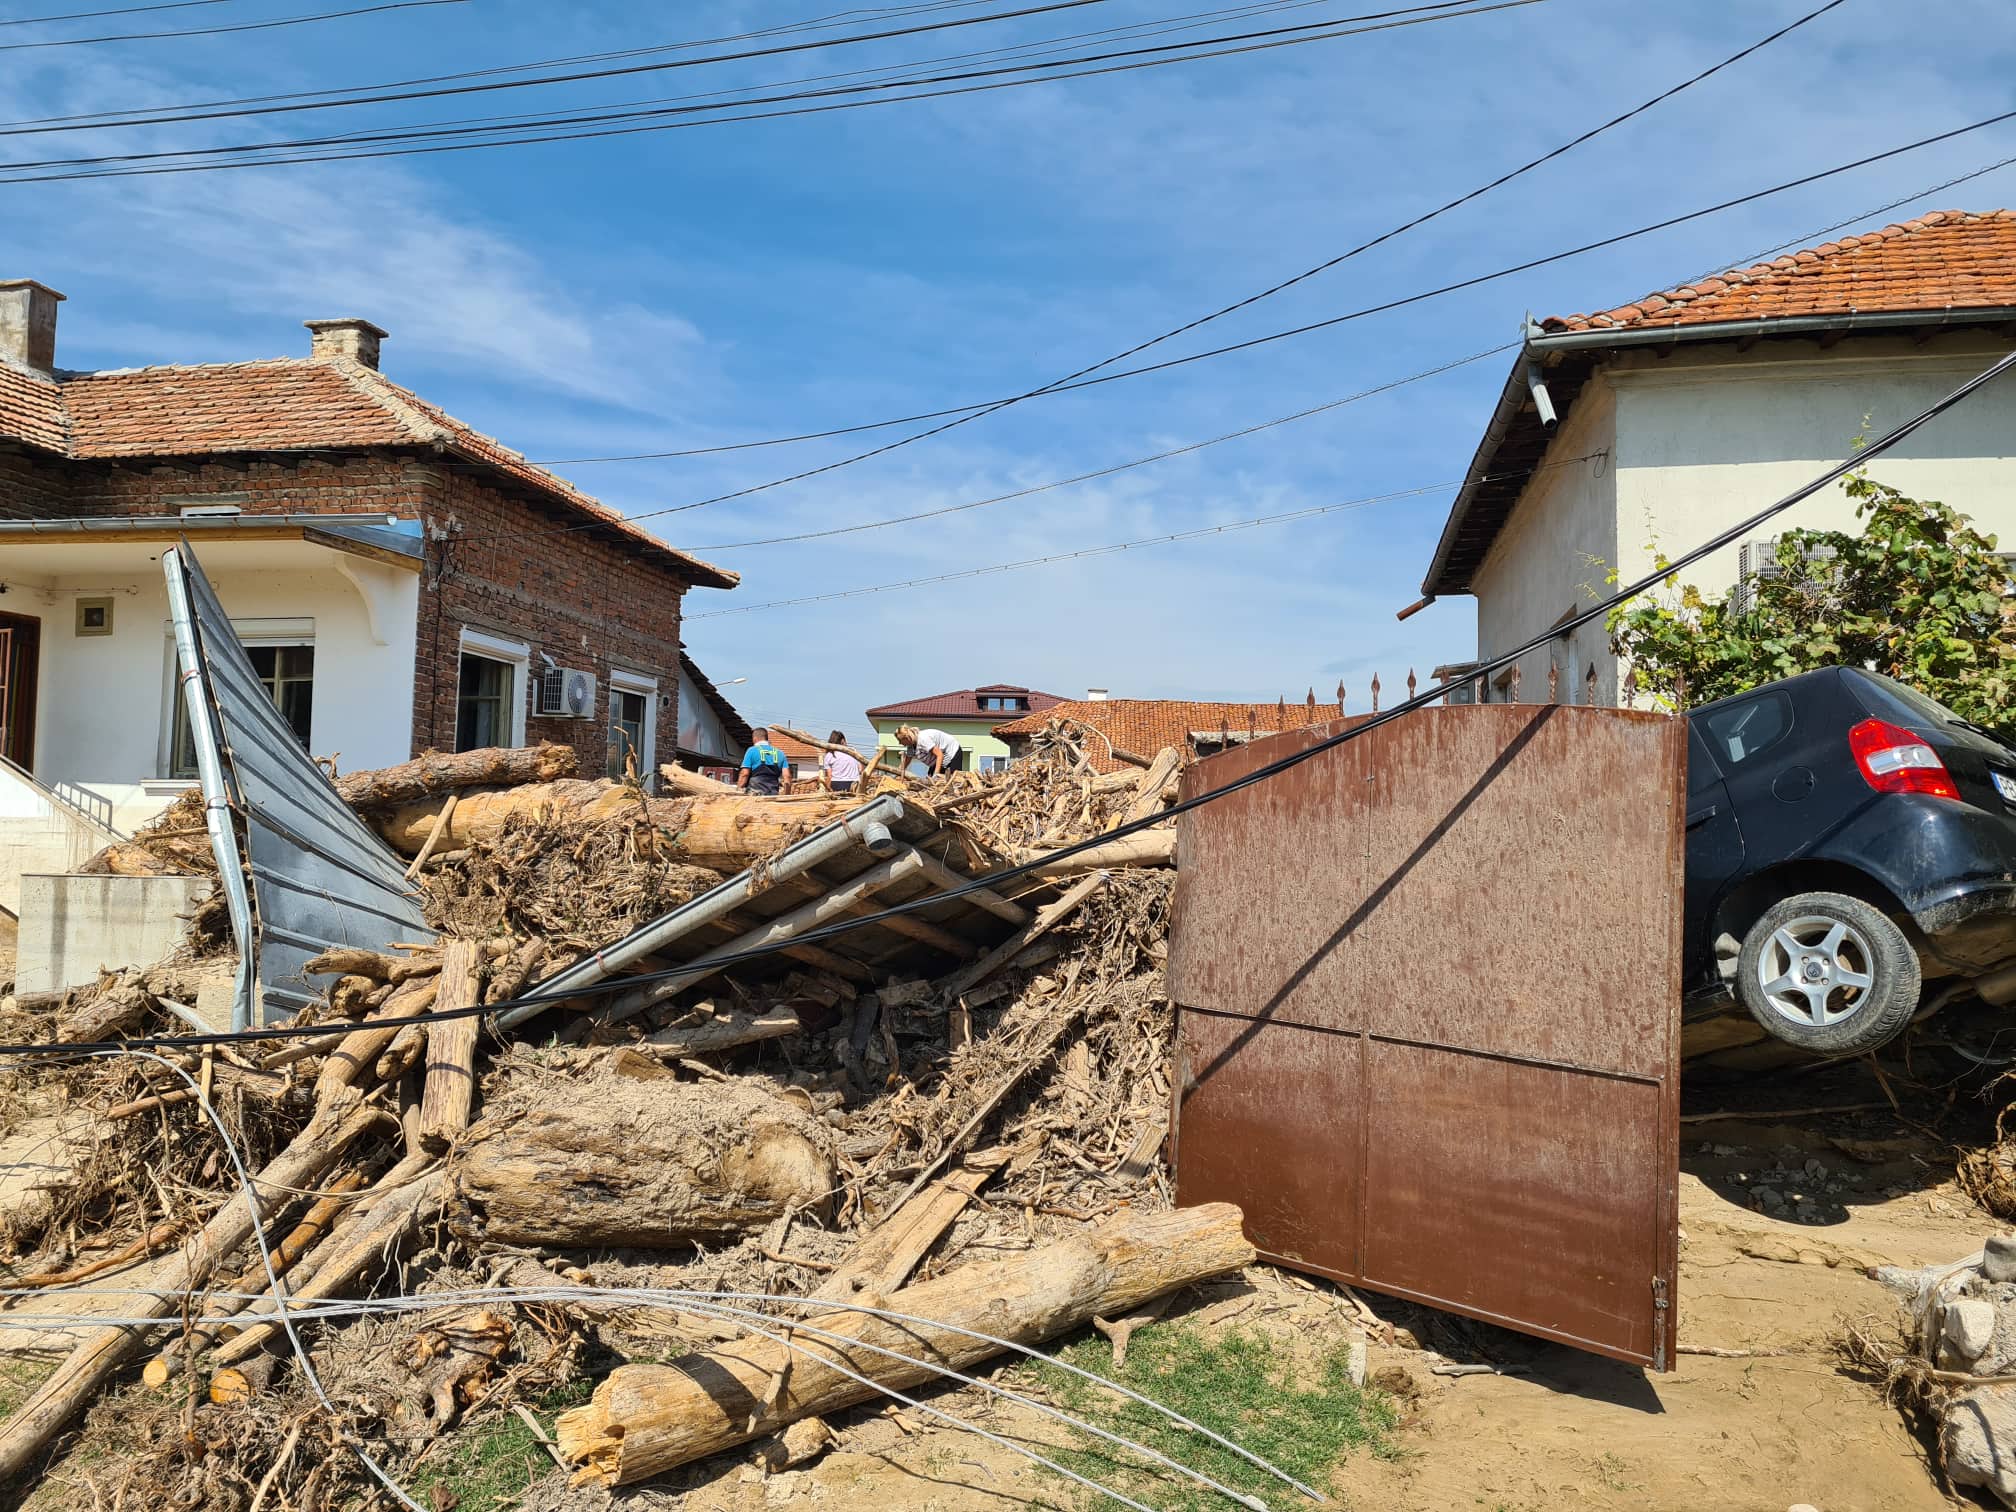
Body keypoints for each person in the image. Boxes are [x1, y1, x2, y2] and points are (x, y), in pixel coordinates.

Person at [737, 726, 790, 795]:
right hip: (773, 795)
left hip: (754, 796)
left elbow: (744, 774)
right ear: (766, 738)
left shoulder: (751, 750)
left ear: (754, 738)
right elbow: (787, 777)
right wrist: (787, 796)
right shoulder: (780, 753)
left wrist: (738, 790)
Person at [896, 723, 961, 777]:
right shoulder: (911, 746)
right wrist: (897, 774)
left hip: (952, 752)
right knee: (930, 777)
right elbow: (906, 762)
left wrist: (936, 775)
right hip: (939, 758)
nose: (899, 743)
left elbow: (939, 755)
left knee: (952, 779)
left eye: (900, 740)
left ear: (907, 738)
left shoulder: (923, 739)